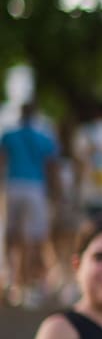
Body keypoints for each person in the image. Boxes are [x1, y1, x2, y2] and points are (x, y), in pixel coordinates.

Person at [1, 102, 58, 306]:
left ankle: (12, 280)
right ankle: (27, 284)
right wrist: (55, 194)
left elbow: (2, 160)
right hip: (35, 188)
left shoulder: (9, 135)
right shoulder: (44, 137)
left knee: (11, 236)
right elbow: (52, 167)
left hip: (13, 185)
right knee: (32, 239)